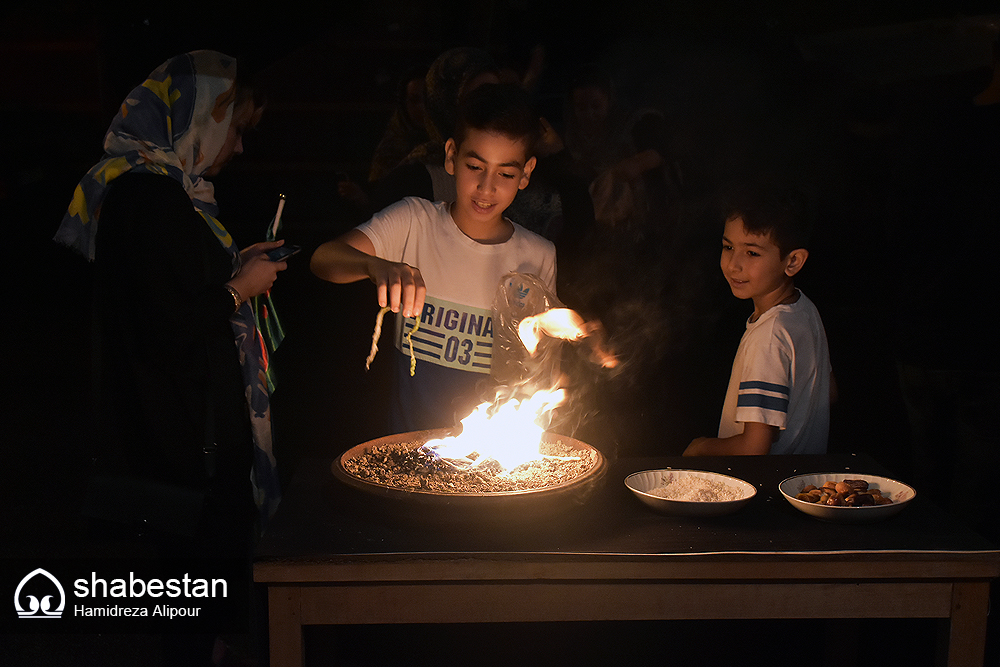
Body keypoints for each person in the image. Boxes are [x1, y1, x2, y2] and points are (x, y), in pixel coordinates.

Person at [311, 82, 556, 433]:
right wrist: (374, 264)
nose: (487, 188)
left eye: (505, 173)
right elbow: (323, 258)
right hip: (410, 449)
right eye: (475, 167)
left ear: (526, 173)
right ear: (451, 156)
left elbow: (542, 372)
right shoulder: (414, 222)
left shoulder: (538, 256)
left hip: (490, 459)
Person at [684, 183, 832, 456]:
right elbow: (829, 391)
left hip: (763, 488)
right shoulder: (804, 310)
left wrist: (700, 448)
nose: (733, 264)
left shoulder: (769, 335)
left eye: (752, 253)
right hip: (798, 481)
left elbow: (754, 447)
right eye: (728, 247)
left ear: (793, 261)